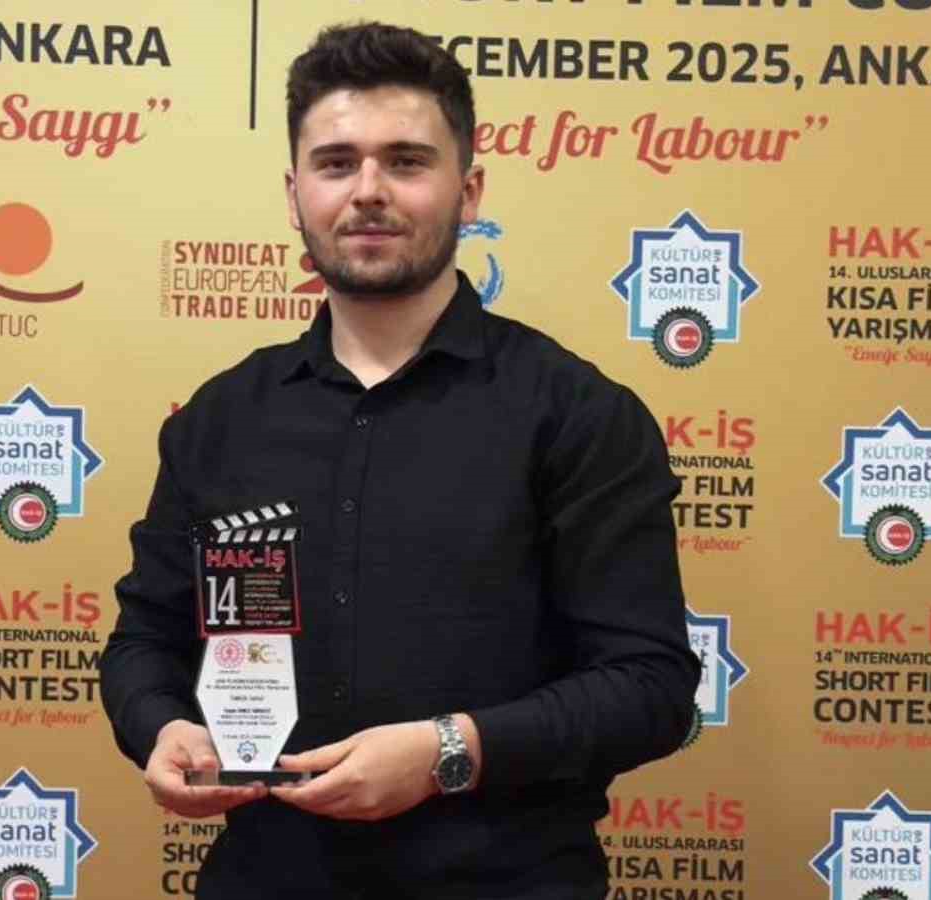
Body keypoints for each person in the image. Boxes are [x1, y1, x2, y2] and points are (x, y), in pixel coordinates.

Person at [99, 21, 699, 900]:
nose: (368, 191)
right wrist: (161, 726)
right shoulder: (221, 419)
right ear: (295, 194)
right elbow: (145, 640)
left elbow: (651, 687)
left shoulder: (577, 415)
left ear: (469, 190)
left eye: (407, 162)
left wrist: (447, 752)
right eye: (337, 163)